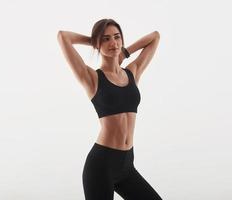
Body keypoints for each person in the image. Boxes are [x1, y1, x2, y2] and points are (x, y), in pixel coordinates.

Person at [57, 18, 162, 200]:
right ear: (98, 44)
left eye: (116, 37)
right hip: (101, 166)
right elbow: (63, 36)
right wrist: (93, 40)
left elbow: (155, 37)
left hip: (127, 165)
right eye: (105, 39)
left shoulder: (132, 72)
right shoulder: (92, 78)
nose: (113, 43)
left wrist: (125, 52)